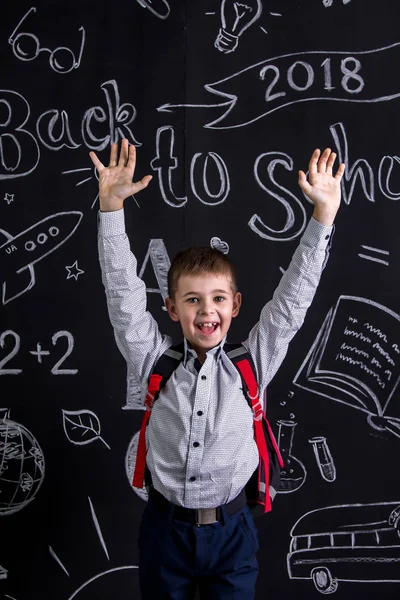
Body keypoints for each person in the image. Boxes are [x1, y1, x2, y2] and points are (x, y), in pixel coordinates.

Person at [90, 139, 344, 600]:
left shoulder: (254, 362)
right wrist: (110, 208)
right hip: (166, 531)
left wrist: (322, 217)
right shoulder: (152, 359)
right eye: (192, 299)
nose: (207, 311)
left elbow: (292, 301)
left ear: (235, 305)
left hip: (233, 532)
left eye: (218, 299)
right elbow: (123, 297)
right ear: (171, 308)